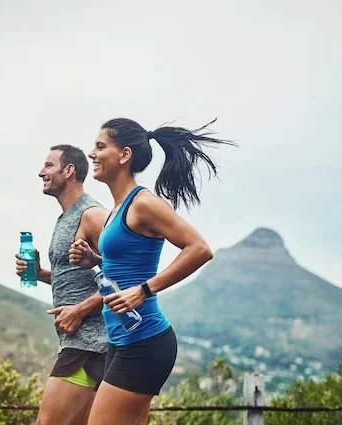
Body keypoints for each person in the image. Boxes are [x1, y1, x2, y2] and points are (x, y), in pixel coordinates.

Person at [68, 118, 234, 425]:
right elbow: (124, 265)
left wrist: (144, 290)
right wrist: (95, 260)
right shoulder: (117, 209)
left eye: (100, 146)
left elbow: (199, 249)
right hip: (121, 340)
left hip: (144, 342)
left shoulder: (143, 203)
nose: (91, 153)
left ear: (125, 155)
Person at [14, 144, 109, 425]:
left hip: (90, 344)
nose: (41, 172)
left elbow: (125, 277)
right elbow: (81, 275)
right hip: (82, 343)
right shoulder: (66, 218)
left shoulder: (92, 215)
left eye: (48, 166)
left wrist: (79, 310)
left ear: (69, 171)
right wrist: (41, 274)